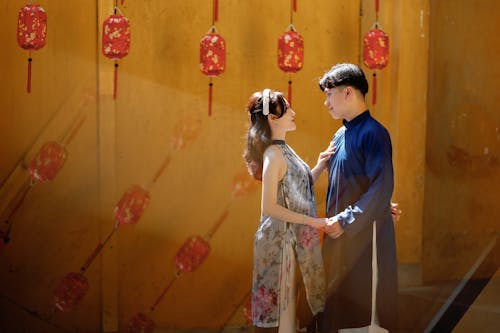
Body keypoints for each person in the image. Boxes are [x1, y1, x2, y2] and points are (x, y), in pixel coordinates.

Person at [315, 63, 399, 332]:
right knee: (336, 312)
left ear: (348, 92)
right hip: (340, 238)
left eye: (330, 94)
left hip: (364, 242)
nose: (326, 103)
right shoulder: (340, 134)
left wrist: (346, 220)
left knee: (363, 316)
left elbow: (381, 186)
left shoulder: (374, 134)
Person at [243, 89, 334, 333]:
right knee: (279, 317)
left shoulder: (283, 150)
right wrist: (311, 221)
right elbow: (269, 207)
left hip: (291, 242)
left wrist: (319, 166)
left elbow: (297, 191)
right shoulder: (273, 154)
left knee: (289, 316)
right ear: (272, 118)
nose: (293, 113)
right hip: (280, 245)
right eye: (287, 109)